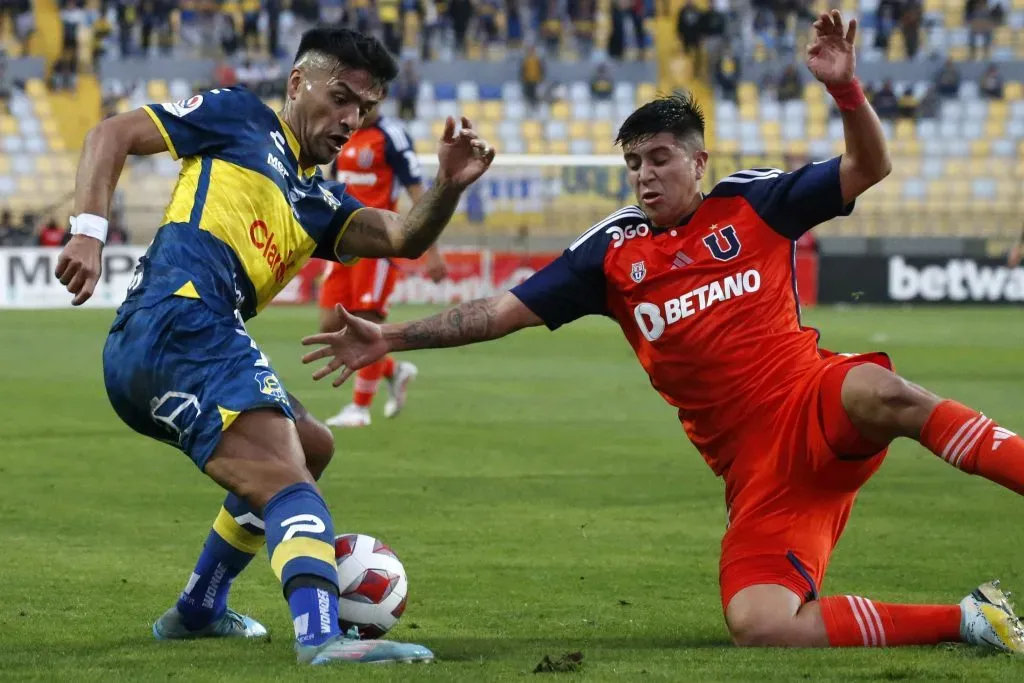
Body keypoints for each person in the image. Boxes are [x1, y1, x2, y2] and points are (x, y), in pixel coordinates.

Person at [301, 11, 1024, 653]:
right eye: (633, 164)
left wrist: (844, 89)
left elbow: (871, 165)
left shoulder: (755, 202)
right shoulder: (610, 253)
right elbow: (500, 310)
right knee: (760, 624)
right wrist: (391, 338)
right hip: (758, 474)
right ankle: (968, 620)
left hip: (812, 399)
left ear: (697, 162)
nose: (644, 177)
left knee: (880, 389)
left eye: (659, 159)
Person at [54, 27, 494, 666]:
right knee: (291, 485)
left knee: (313, 447)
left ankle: (200, 607)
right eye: (341, 97)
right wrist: (88, 234)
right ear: (297, 83)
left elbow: (403, 236)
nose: (350, 120)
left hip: (185, 338)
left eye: (363, 110)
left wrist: (449, 185)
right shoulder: (239, 117)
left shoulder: (318, 200)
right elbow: (111, 134)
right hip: (179, 322)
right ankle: (321, 637)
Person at [320, 105, 448, 428]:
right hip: (341, 242)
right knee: (329, 325)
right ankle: (393, 370)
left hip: (377, 245)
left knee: (367, 323)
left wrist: (431, 250)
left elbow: (418, 192)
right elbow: (331, 184)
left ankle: (359, 409)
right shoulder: (343, 129)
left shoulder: (391, 136)